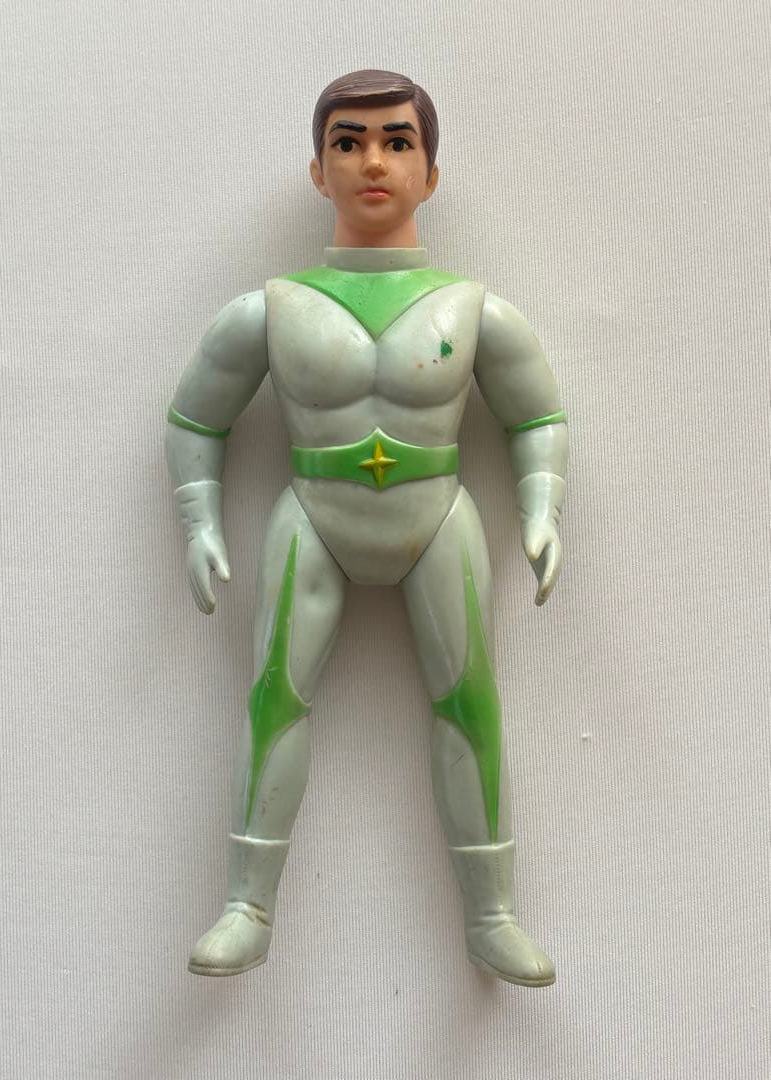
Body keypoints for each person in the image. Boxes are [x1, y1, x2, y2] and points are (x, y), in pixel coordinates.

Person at [166, 69, 568, 987]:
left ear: (432, 171)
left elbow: (537, 415)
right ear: (318, 170)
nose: (373, 162)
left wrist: (542, 504)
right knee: (274, 697)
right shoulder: (273, 307)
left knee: (471, 702)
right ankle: (247, 906)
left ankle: (493, 915)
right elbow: (195, 417)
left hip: (437, 517)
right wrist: (198, 518)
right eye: (348, 142)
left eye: (397, 141)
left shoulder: (473, 308)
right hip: (314, 514)